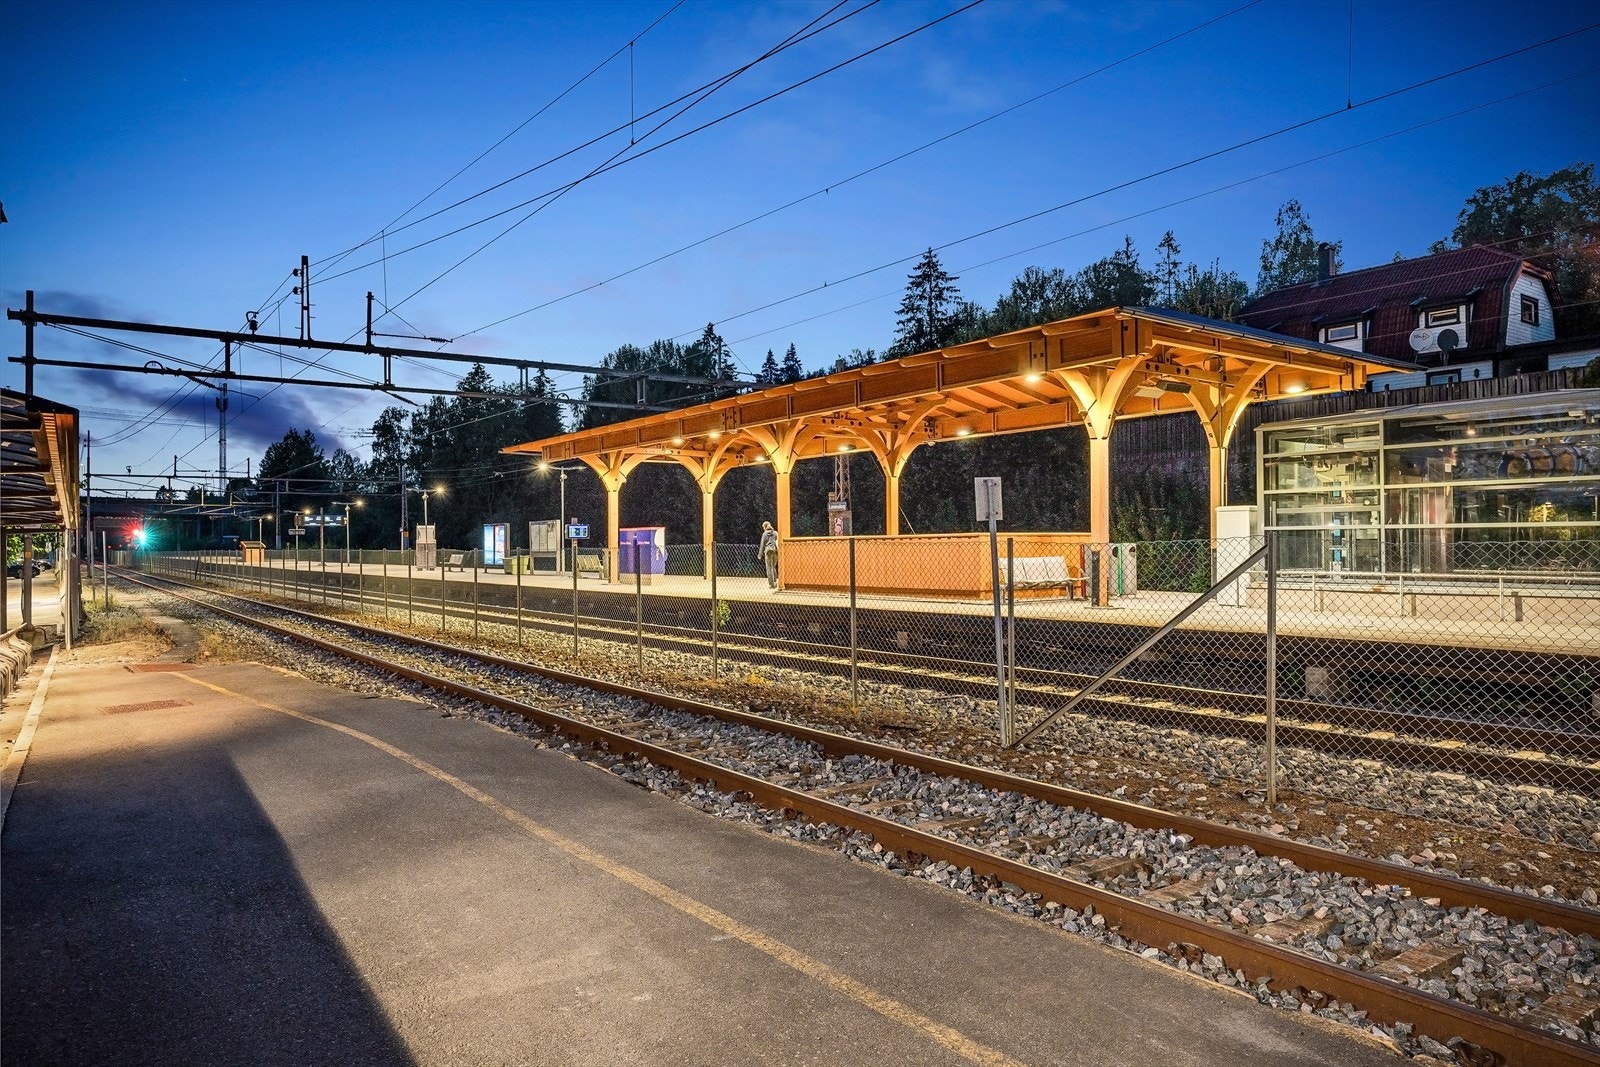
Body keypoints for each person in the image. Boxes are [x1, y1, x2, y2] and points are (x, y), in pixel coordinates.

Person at [759, 521, 779, 589]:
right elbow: (778, 542)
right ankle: (775, 582)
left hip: (768, 551)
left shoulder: (764, 534)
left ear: (764, 527)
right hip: (775, 551)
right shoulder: (775, 533)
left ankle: (771, 584)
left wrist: (760, 554)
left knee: (769, 568)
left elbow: (762, 545)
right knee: (773, 567)